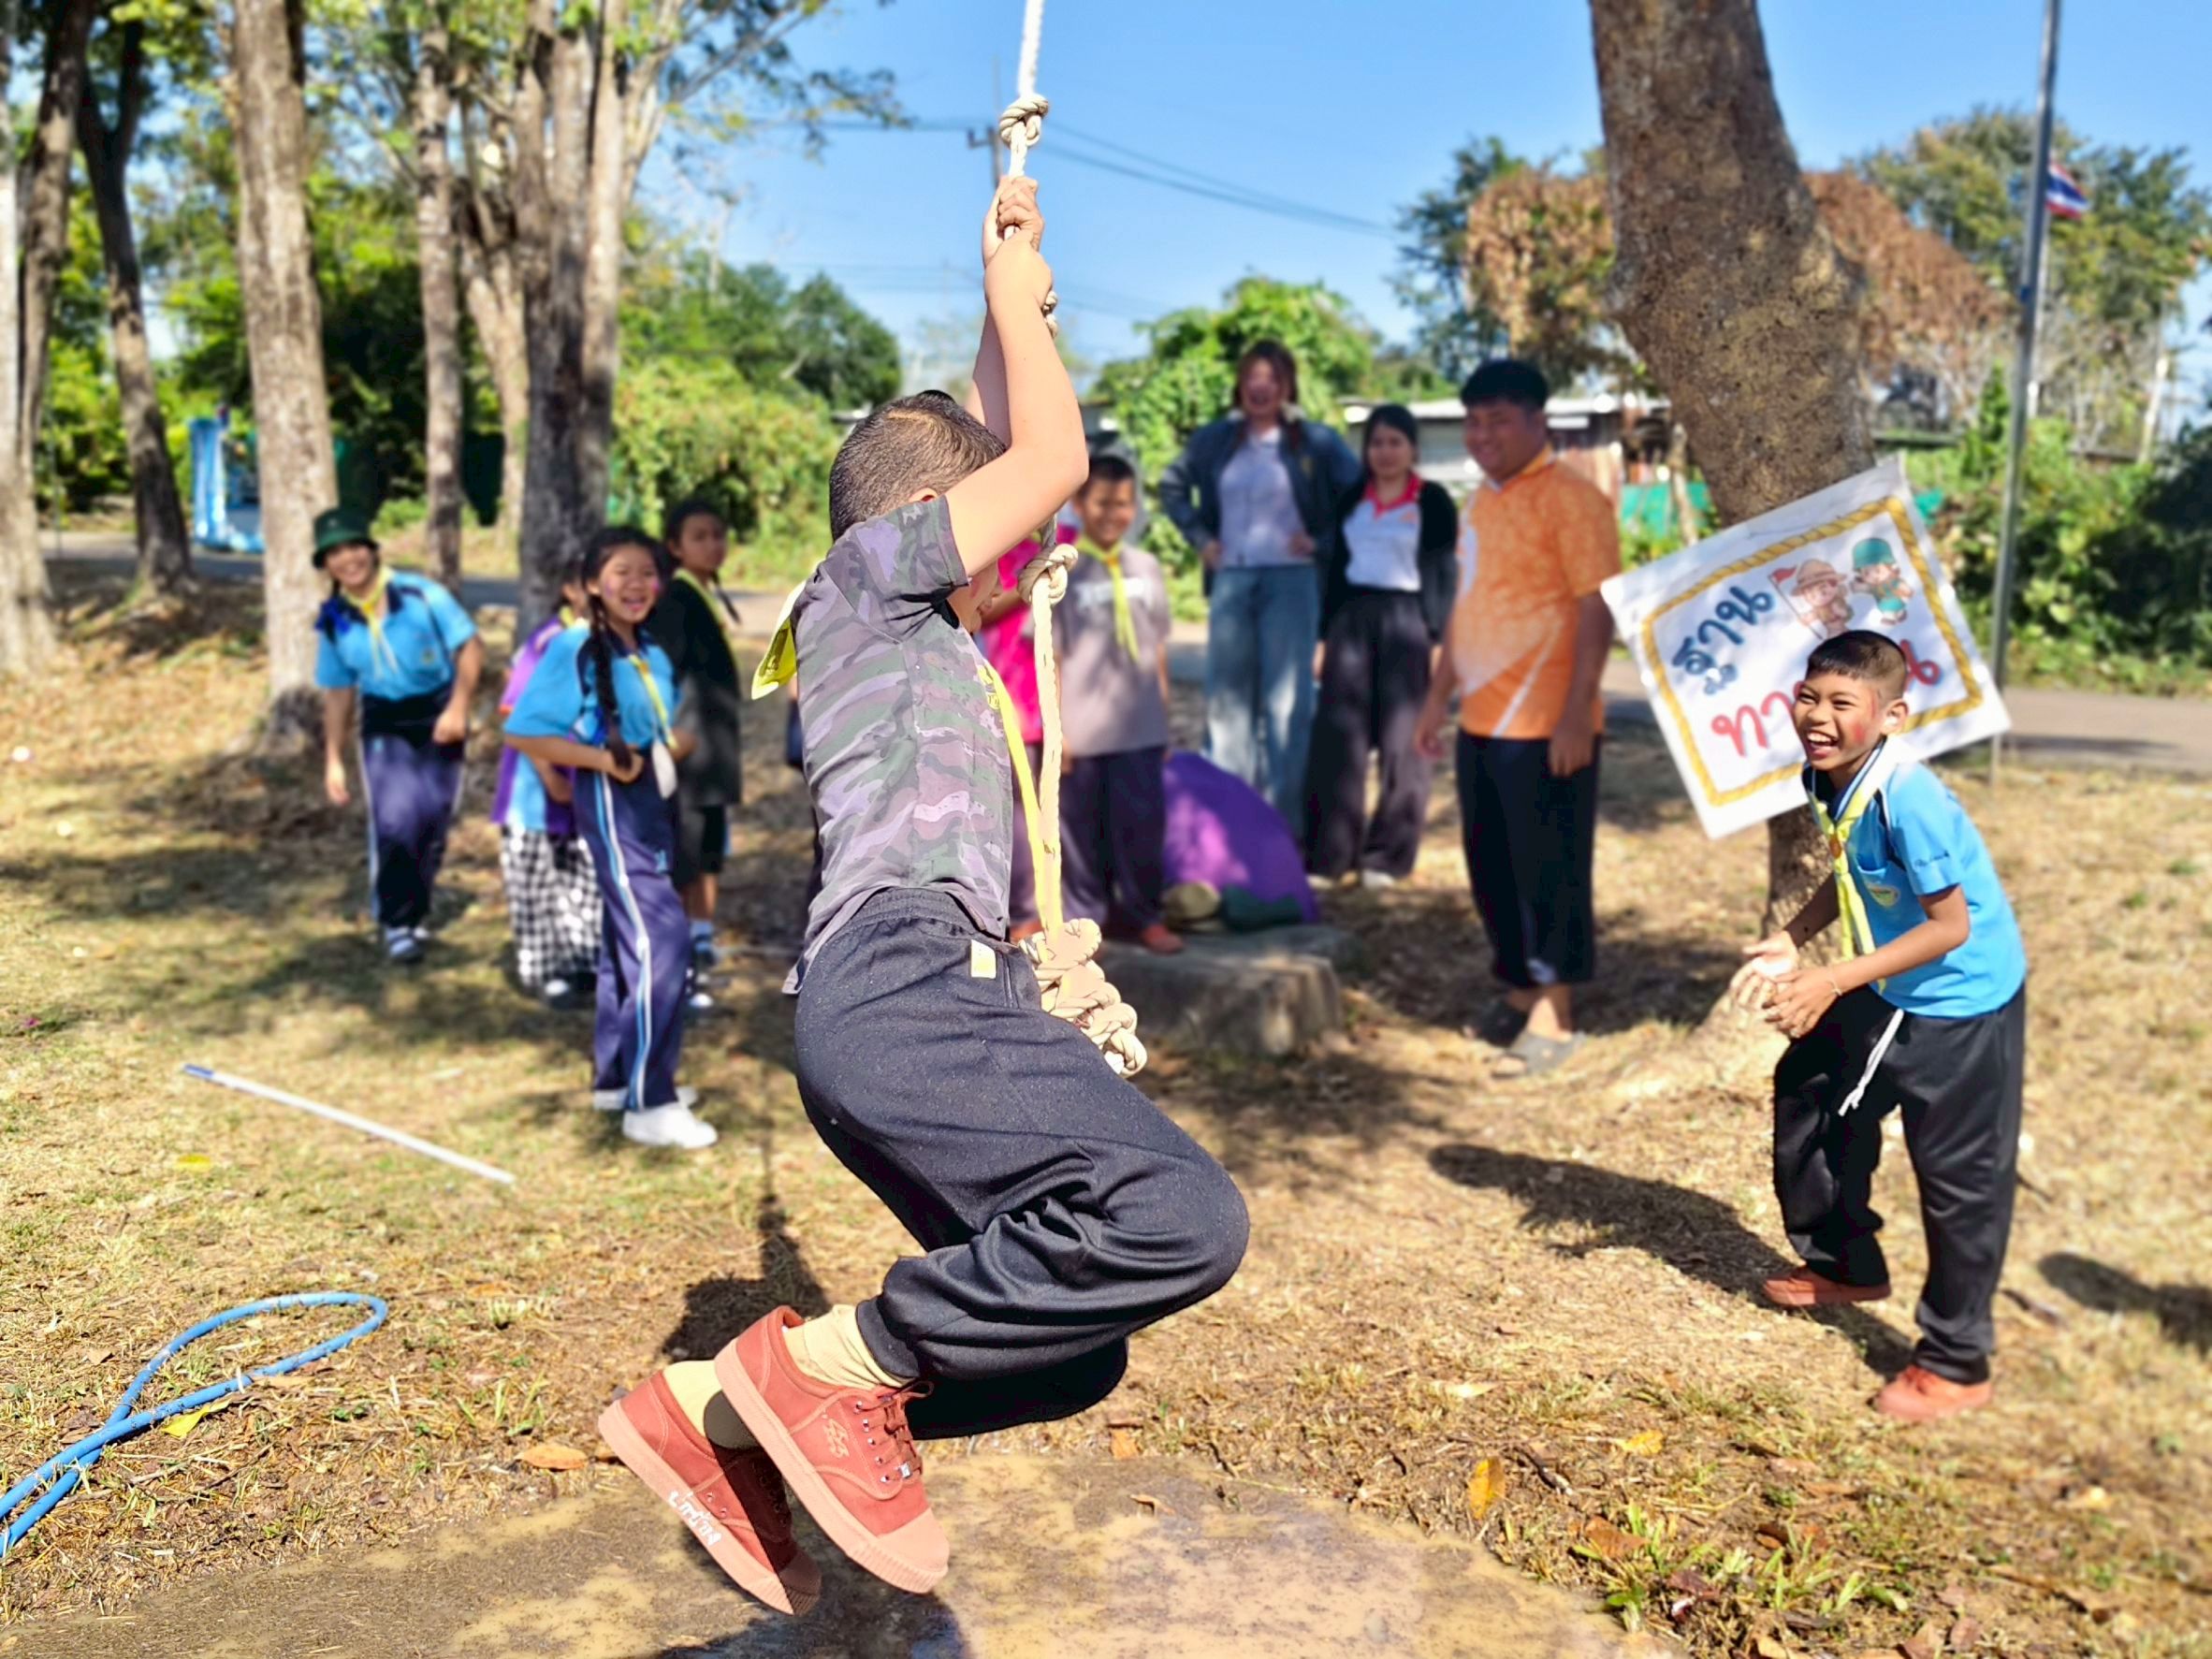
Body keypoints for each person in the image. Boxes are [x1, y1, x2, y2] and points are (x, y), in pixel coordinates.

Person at [593, 175, 1245, 1612]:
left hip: (915, 997)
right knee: (1185, 1215)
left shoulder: (911, 638)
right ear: (934, 518)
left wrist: (1012, 283)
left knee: (1071, 1343)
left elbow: (1011, 439)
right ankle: (820, 1374)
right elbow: (1049, 455)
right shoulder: (858, 582)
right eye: (982, 504)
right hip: (891, 989)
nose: (1009, 538)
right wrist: (1015, 312)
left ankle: (717, 1414)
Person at [1730, 631, 2028, 1423]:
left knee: (1958, 1177)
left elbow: (1949, 926)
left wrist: (1828, 977)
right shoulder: (1832, 775)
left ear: (1892, 715)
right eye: (1809, 697)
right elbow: (1855, 867)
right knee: (1811, 1085)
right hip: (1896, 980)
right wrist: (1793, 936)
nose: (1817, 717)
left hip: (1960, 999)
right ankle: (1846, 1262)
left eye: (1841, 705)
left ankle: (1957, 1361)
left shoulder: (1911, 798)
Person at [1415, 359, 1618, 1078]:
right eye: (1473, 421)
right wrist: (1439, 695)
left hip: (1548, 726)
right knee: (1491, 865)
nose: (1483, 434)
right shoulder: (1480, 504)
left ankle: (1555, 1015)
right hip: (1484, 723)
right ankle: (1518, 986)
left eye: (1500, 419)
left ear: (1539, 421)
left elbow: (1597, 606)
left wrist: (1574, 715)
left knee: (1549, 871)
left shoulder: (1574, 500)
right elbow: (1464, 608)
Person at [503, 527, 716, 1152]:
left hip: (653, 794)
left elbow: (655, 721)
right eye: (621, 571)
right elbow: (524, 731)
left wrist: (670, 747)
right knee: (663, 937)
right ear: (593, 583)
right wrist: (599, 762)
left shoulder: (645, 647)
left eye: (647, 573)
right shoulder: (576, 643)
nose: (636, 583)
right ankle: (650, 1102)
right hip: (613, 799)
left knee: (625, 941)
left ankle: (618, 1077)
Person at [1157, 341, 1361, 827]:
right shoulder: (1215, 440)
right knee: (1227, 706)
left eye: (1272, 377)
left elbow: (1359, 492)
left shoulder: (1315, 441)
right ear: (1241, 386)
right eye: (1252, 376)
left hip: (1291, 583)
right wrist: (1202, 539)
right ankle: (1230, 829)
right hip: (1231, 582)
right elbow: (1171, 485)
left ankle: (1282, 833)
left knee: (1287, 706)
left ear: (1287, 386)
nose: (1261, 386)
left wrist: (1321, 541)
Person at [313, 507, 484, 965]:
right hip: (384, 721)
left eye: (354, 547)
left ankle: (416, 911)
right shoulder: (334, 619)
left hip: (437, 712)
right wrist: (333, 757)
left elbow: (469, 646)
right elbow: (337, 692)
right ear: (327, 565)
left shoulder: (421, 595)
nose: (348, 559)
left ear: (370, 550)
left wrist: (459, 708)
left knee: (430, 821)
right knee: (393, 820)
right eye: (335, 554)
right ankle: (396, 923)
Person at [1305, 403, 1459, 890]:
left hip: (1409, 622)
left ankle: (1387, 856)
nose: (1386, 452)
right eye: (1377, 443)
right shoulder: (1352, 498)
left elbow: (1442, 575)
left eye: (1395, 442)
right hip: (1351, 621)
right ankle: (1331, 854)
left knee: (1404, 743)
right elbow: (1332, 573)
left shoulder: (1432, 501)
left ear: (1413, 448)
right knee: (1338, 739)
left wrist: (1438, 641)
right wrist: (1323, 638)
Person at [1055, 453, 1182, 954]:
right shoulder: (1065, 569)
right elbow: (1053, 652)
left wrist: (1165, 718)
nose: (1114, 514)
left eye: (1124, 504)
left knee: (1142, 827)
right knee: (1082, 835)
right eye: (1103, 503)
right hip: (1082, 729)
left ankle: (1144, 915)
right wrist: (1056, 729)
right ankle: (1087, 924)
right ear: (1081, 505)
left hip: (1140, 727)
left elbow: (1157, 646)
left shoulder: (1146, 567)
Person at [647, 499, 745, 988]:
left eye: (717, 534)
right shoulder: (675, 603)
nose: (712, 544)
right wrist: (668, 743)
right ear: (675, 547)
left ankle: (702, 935)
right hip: (688, 753)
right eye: (699, 536)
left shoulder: (702, 593)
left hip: (713, 751)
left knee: (708, 846)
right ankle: (678, 942)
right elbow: (665, 676)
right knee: (684, 849)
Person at [490, 568, 599, 1008]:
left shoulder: (611, 644)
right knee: (535, 881)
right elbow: (515, 710)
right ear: (570, 590)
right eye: (586, 583)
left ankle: (583, 961)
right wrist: (548, 773)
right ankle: (546, 970)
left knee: (581, 878)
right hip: (532, 794)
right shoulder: (549, 641)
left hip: (583, 791)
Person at [975, 520, 1078, 941]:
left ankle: (1034, 910)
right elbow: (986, 608)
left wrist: (1060, 720)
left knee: (1035, 813)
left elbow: (1056, 647)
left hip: (1035, 706)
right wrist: (1028, 583)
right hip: (995, 699)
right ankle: (1013, 911)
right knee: (1003, 812)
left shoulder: (1052, 554)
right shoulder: (987, 557)